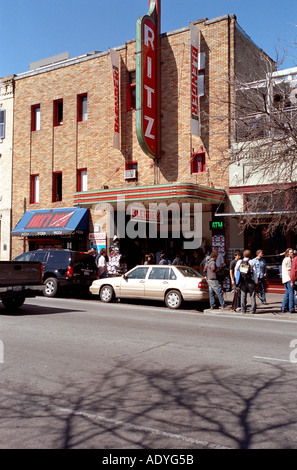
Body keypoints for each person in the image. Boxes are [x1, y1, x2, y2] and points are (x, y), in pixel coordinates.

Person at [234, 249, 258, 314]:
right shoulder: (252, 262)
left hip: (242, 281)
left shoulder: (239, 261)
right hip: (250, 280)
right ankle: (252, 310)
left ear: (243, 255)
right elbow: (255, 272)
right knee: (252, 295)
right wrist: (256, 281)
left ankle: (243, 310)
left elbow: (236, 270)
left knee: (243, 295)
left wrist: (237, 279)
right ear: (249, 255)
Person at [281, 248, 295, 313]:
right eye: (291, 252)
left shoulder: (285, 259)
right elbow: (290, 269)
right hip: (289, 278)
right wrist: (292, 279)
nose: (292, 253)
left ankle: (283, 307)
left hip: (285, 278)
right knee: (291, 293)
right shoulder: (288, 259)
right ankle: (291, 308)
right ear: (288, 253)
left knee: (287, 293)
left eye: (292, 252)